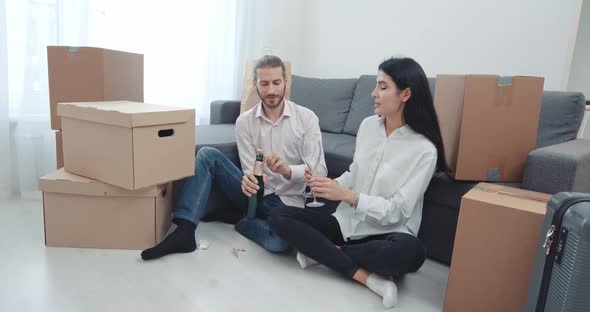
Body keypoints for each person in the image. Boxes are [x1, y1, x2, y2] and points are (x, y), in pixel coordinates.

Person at [269, 57, 447, 308]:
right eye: (376, 86)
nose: (373, 93)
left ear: (406, 94)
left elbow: (399, 211)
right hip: (347, 224)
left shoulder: (425, 150)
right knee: (279, 216)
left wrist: (349, 196)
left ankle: (325, 254)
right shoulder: (368, 127)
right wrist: (328, 185)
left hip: (387, 234)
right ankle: (369, 278)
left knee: (413, 254)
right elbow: (355, 173)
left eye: (383, 87)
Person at [141, 55, 327, 260]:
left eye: (276, 82)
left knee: (280, 243)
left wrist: (287, 170)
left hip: (288, 202)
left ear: (286, 81)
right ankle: (184, 231)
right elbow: (249, 168)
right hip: (255, 195)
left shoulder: (307, 118)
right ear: (255, 84)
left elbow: (320, 172)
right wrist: (249, 179)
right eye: (264, 83)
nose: (271, 90)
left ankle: (242, 221)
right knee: (207, 155)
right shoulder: (245, 122)